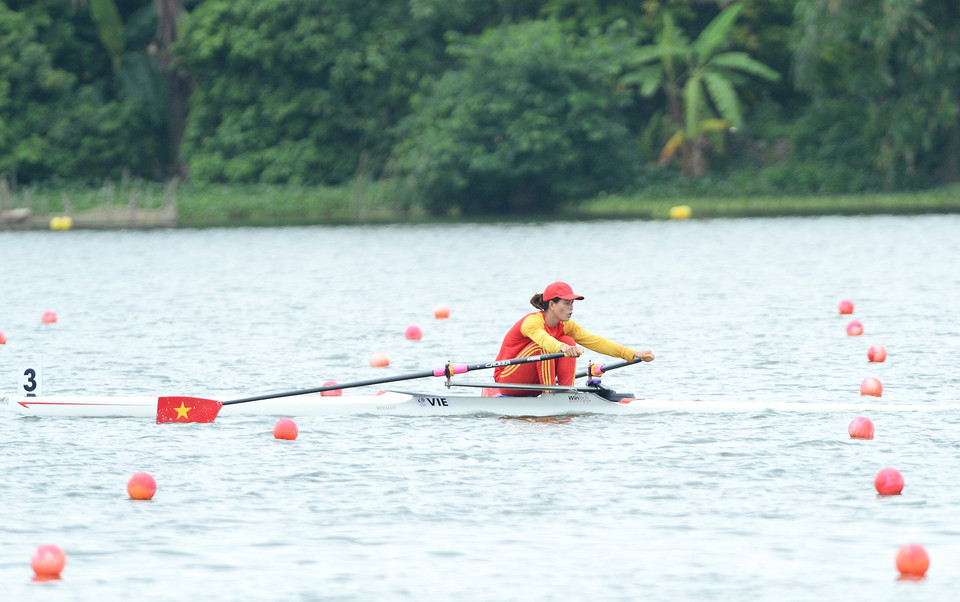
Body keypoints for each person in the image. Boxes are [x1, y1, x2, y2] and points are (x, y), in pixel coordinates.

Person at [489, 281, 654, 397]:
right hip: (508, 380)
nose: (571, 308)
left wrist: (632, 354)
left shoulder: (566, 325)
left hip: (533, 384)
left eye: (572, 304)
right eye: (566, 303)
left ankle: (565, 391)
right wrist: (561, 348)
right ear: (552, 305)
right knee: (548, 346)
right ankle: (551, 395)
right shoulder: (532, 322)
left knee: (568, 340)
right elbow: (544, 339)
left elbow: (596, 342)